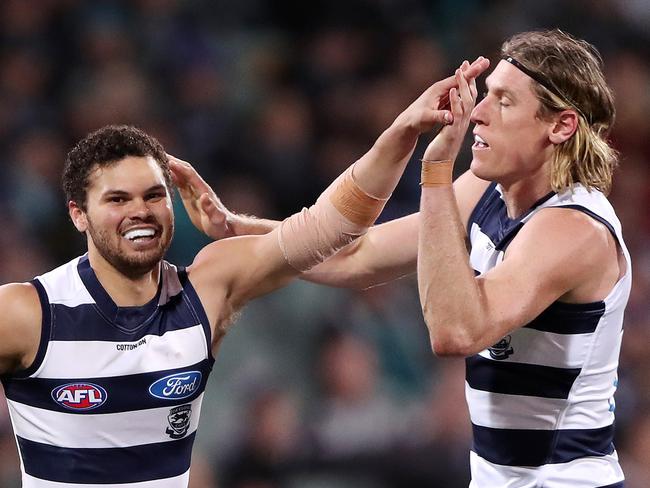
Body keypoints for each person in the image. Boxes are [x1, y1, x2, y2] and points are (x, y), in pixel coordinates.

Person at [0, 57, 489, 487]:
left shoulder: (208, 285)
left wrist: (401, 131)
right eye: (117, 200)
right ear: (77, 214)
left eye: (153, 195)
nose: (141, 212)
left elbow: (329, 229)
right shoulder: (27, 312)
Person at [177, 29, 629, 487]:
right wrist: (236, 227)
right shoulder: (489, 194)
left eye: (505, 102)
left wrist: (435, 172)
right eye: (485, 95)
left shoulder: (573, 228)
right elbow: (356, 255)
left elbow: (457, 330)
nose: (479, 114)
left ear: (560, 125)